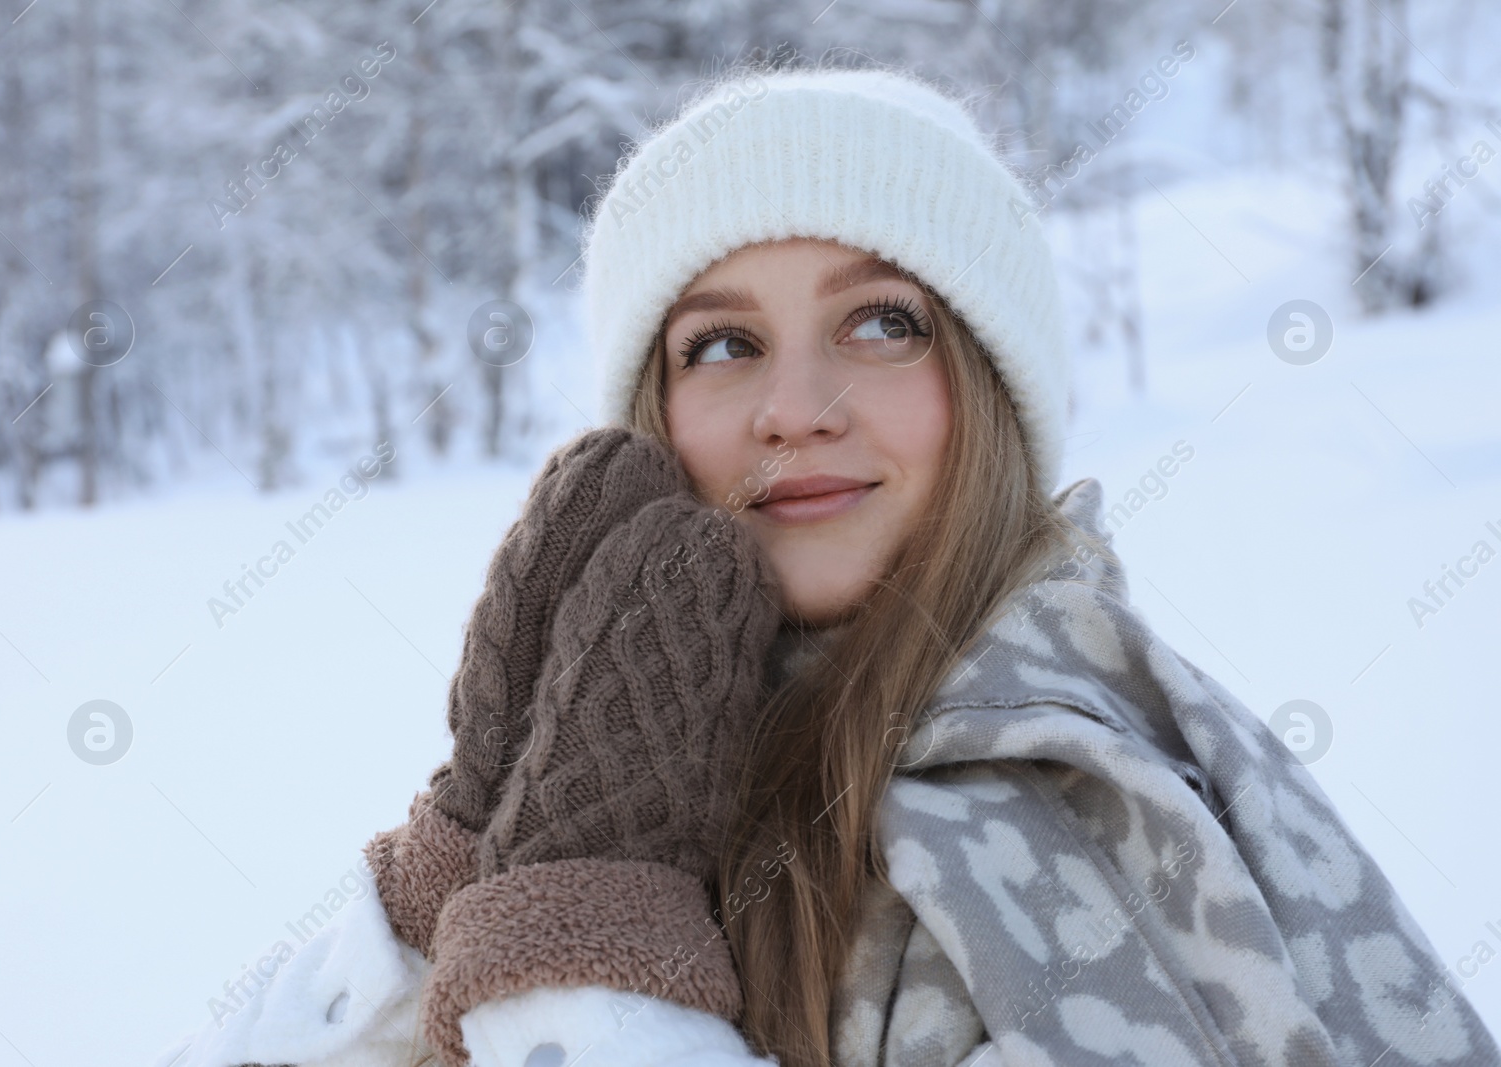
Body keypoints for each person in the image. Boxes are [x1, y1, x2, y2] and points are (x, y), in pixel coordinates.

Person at [155, 62, 1500, 1067]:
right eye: (723, 346)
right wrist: (473, 837)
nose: (792, 406)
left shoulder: (1054, 821)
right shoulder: (649, 755)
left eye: (879, 322)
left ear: (987, 392)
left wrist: (584, 950)